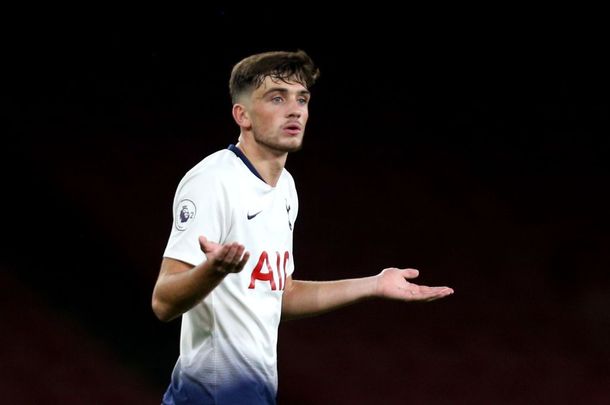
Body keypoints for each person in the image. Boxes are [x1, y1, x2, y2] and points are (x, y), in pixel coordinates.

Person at [151, 49, 454, 405]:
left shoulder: (286, 188)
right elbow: (163, 302)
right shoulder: (212, 182)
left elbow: (281, 295)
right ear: (242, 115)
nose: (295, 110)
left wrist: (373, 284)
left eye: (302, 99)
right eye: (277, 98)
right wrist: (213, 271)